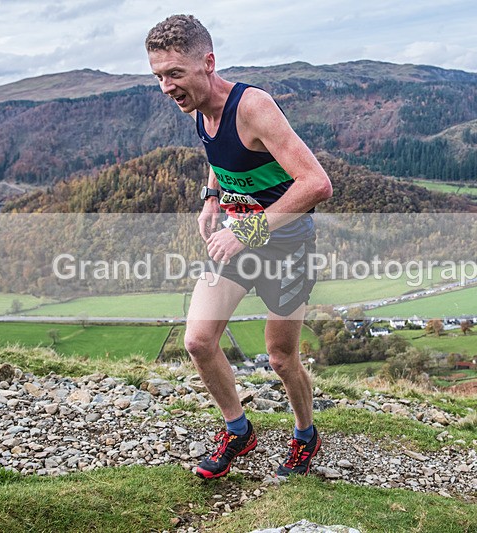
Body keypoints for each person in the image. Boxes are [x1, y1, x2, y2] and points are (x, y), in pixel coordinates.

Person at [145, 15, 332, 479]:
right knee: (199, 340)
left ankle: (306, 434)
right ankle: (238, 430)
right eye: (159, 77)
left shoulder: (253, 107)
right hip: (238, 242)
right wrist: (212, 197)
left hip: (287, 246)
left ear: (208, 63)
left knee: (281, 358)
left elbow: (317, 184)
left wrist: (245, 230)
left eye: (175, 74)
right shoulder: (197, 108)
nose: (167, 87)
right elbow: (222, 156)